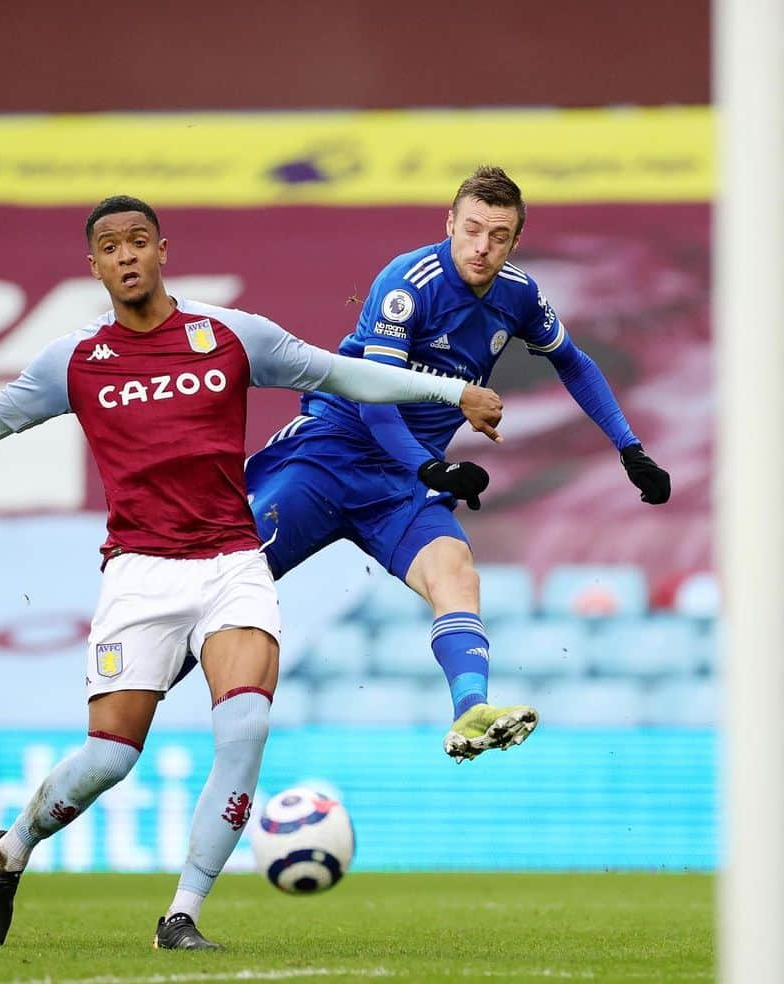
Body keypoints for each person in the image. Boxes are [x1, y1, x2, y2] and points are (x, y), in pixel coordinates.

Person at [0, 195, 504, 951]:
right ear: (93, 266)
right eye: (110, 247)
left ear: (163, 250)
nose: (126, 256)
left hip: (231, 563)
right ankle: (9, 852)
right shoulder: (74, 360)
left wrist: (452, 392)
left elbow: (343, 375)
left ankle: (181, 915)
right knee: (110, 758)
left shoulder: (231, 335)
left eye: (138, 242)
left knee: (247, 725)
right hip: (141, 575)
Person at [244, 166, 671, 763]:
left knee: (458, 575)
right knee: (230, 580)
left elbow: (573, 363)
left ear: (515, 240)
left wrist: (630, 449)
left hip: (404, 481)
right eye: (471, 230)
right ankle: (138, 683)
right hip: (332, 453)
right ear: (449, 224)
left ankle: (471, 708)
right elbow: (377, 400)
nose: (482, 247)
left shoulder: (519, 295)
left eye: (498, 236)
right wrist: (431, 468)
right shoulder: (406, 284)